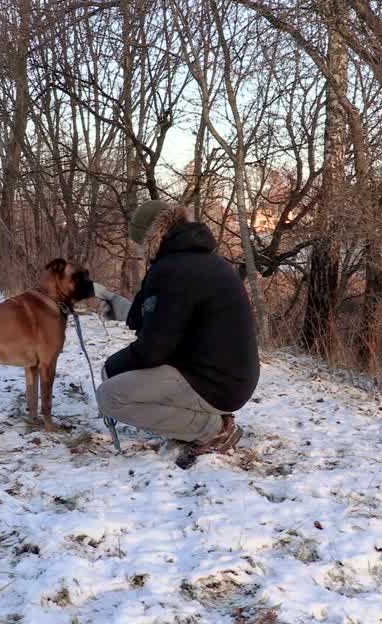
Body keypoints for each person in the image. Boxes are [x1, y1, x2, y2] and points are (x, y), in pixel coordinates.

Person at [93, 199, 260, 468]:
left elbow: (154, 348)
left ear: (149, 238)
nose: (137, 251)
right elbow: (146, 318)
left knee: (110, 395)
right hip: (226, 377)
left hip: (216, 383)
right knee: (116, 375)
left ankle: (213, 429)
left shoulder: (174, 271)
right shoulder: (194, 261)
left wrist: (113, 368)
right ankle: (206, 416)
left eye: (138, 244)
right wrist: (119, 304)